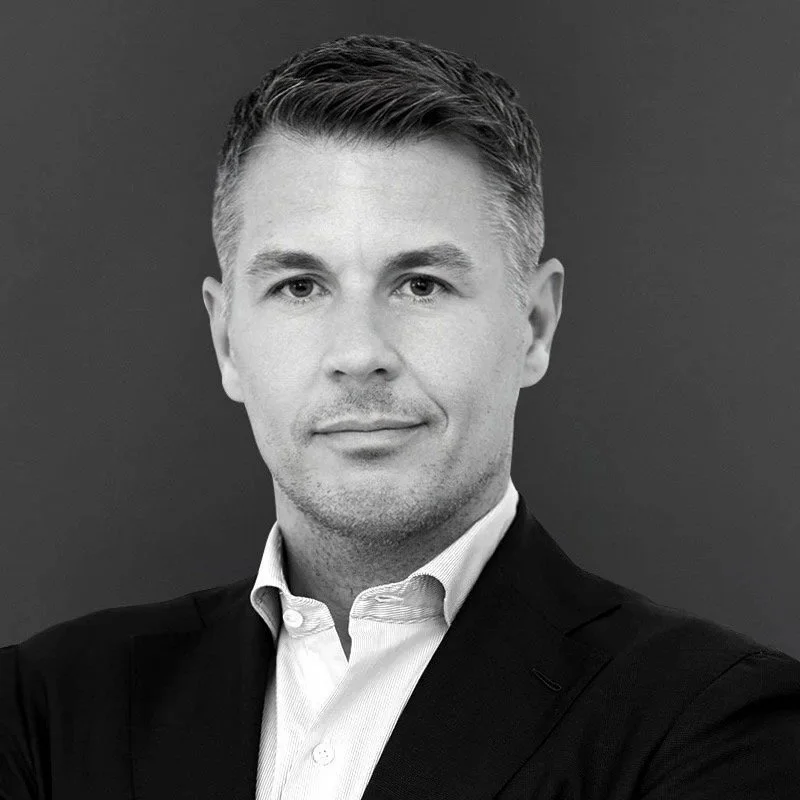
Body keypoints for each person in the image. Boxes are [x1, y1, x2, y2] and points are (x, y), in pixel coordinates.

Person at [2, 33, 799, 800]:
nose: (359, 353)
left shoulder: (719, 725)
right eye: (299, 287)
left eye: (421, 284)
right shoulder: (40, 713)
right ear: (226, 341)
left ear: (533, 326)